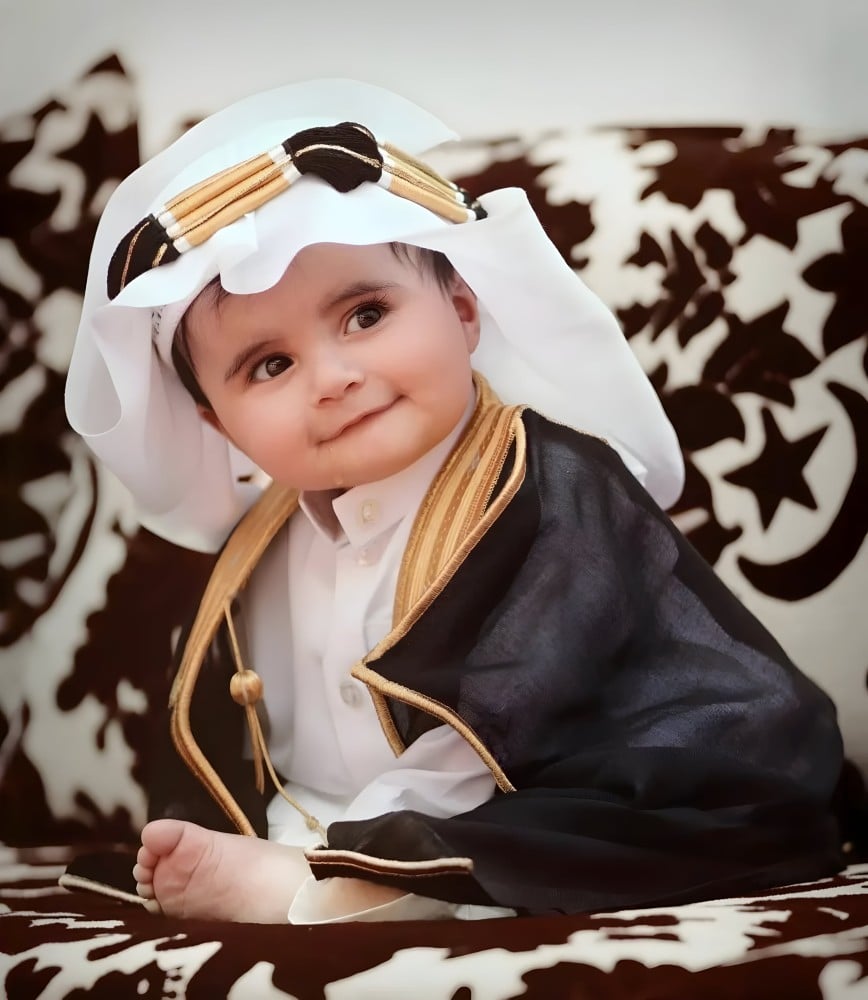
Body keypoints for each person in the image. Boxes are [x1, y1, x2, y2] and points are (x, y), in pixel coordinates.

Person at [64, 79, 845, 924]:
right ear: (219, 424)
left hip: (591, 777)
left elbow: (526, 711)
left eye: (365, 315)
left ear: (465, 310)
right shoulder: (261, 546)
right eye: (271, 365)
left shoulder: (546, 486)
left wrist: (351, 840)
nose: (333, 377)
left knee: (627, 820)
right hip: (350, 808)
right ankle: (317, 863)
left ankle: (349, 881)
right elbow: (251, 730)